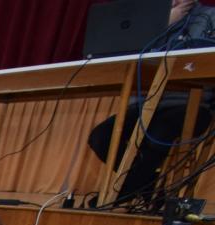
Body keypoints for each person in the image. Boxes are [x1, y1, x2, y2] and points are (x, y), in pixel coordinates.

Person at [86, 0, 215, 204]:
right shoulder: (149, 20)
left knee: (158, 134)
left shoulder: (210, 17)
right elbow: (128, 55)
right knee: (100, 137)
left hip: (191, 103)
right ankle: (146, 184)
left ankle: (123, 191)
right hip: (147, 102)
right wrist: (161, 25)